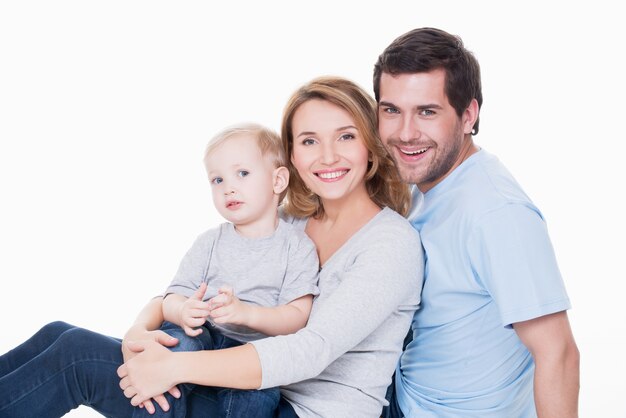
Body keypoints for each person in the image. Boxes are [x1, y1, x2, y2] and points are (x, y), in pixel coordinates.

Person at [0, 76, 424, 418]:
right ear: (290, 157)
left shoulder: (389, 244)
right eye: (309, 140)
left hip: (293, 407)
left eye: (346, 137)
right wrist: (137, 331)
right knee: (60, 334)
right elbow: (187, 290)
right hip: (227, 381)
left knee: (77, 360)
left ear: (371, 147)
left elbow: (308, 350)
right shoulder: (288, 222)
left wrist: (173, 367)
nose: (327, 156)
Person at [373, 27, 580, 417]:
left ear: (468, 115)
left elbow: (559, 353)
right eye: (392, 110)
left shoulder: (497, 214)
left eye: (427, 112)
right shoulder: (429, 182)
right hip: (404, 394)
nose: (404, 133)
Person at [147, 123, 320, 418]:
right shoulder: (210, 241)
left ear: (278, 181)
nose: (228, 187)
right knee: (178, 344)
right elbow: (172, 297)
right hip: (204, 336)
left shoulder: (297, 247)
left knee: (259, 395)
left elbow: (297, 317)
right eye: (217, 179)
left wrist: (247, 314)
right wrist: (183, 310)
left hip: (250, 354)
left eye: (242, 173)